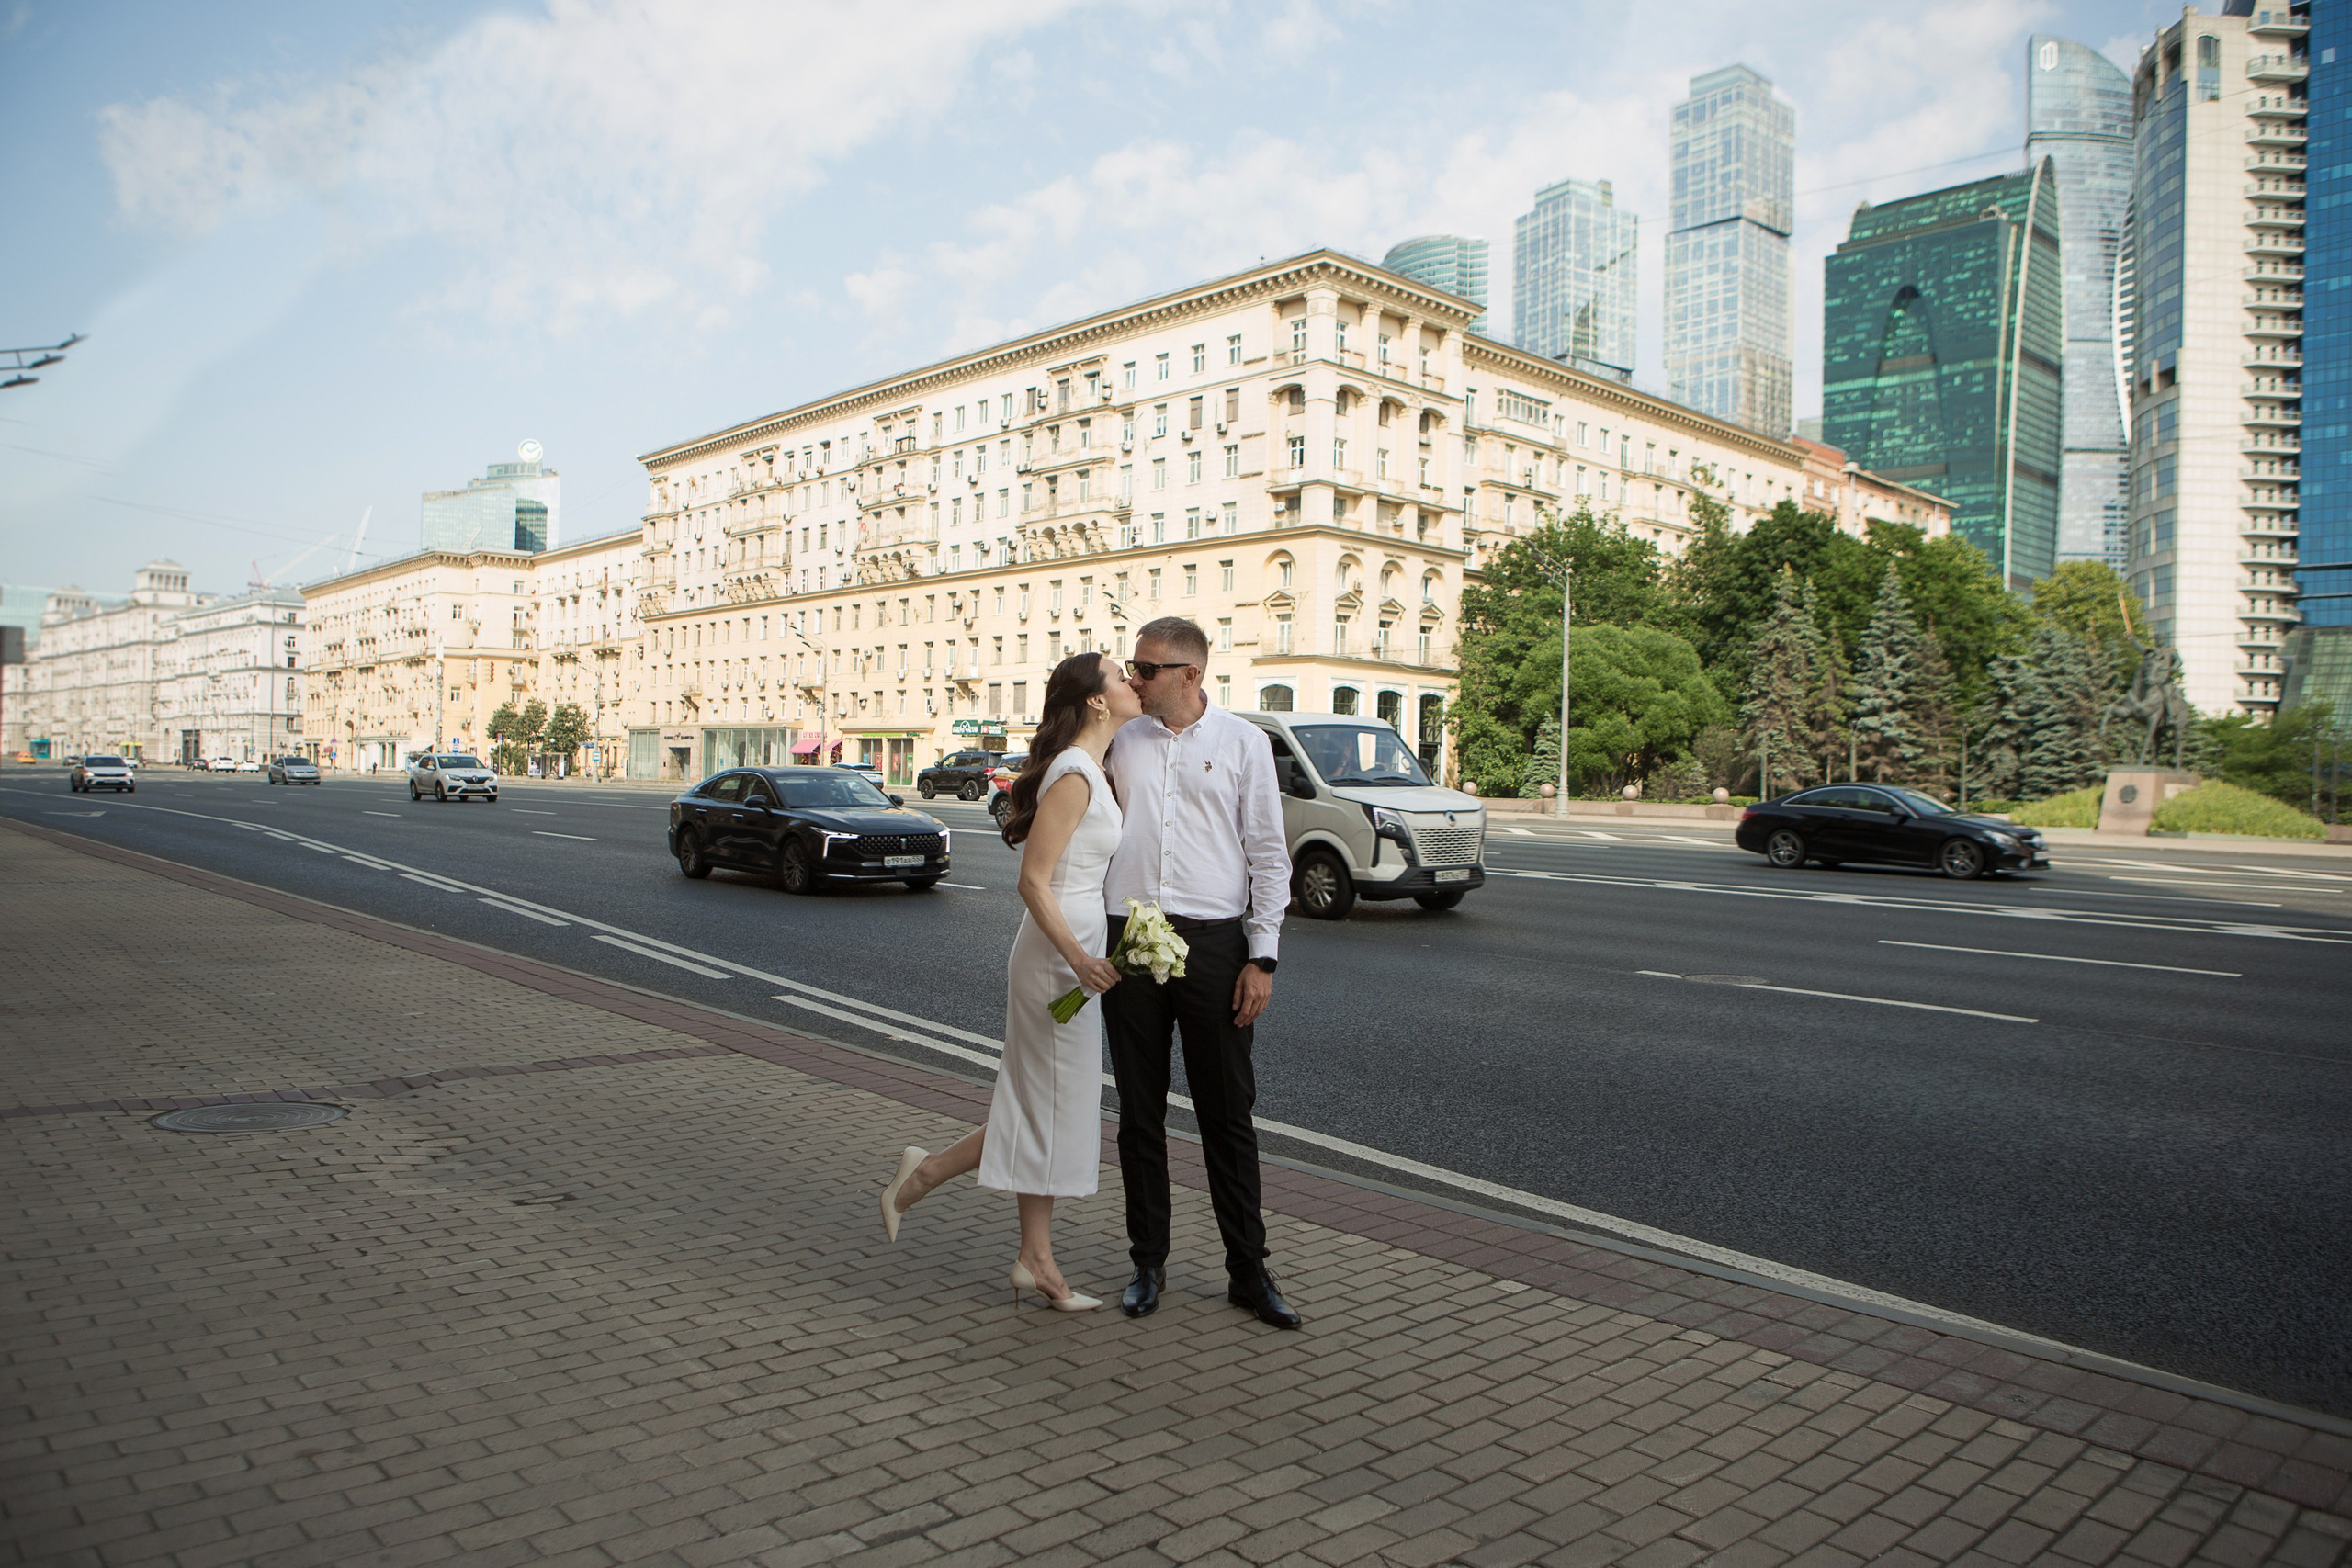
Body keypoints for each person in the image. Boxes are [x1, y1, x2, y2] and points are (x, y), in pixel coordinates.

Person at [878, 651, 1143, 1310]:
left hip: (1074, 947)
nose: (1134, 681)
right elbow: (1033, 880)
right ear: (1097, 700)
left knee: (1043, 1104)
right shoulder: (1076, 774)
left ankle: (1030, 1254)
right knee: (1045, 1104)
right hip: (1057, 958)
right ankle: (931, 1184)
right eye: (1120, 675)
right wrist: (1081, 959)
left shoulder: (1095, 768)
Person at [1102, 616, 1300, 1328]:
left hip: (1216, 946)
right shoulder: (1121, 740)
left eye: (1145, 669)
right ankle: (1146, 1261)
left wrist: (1262, 956)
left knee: (1227, 1115)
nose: (1134, 678)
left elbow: (1270, 858)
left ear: (1190, 673)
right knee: (1139, 1112)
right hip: (1130, 938)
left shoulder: (1245, 743)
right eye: (1131, 667)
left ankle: (1248, 1270)